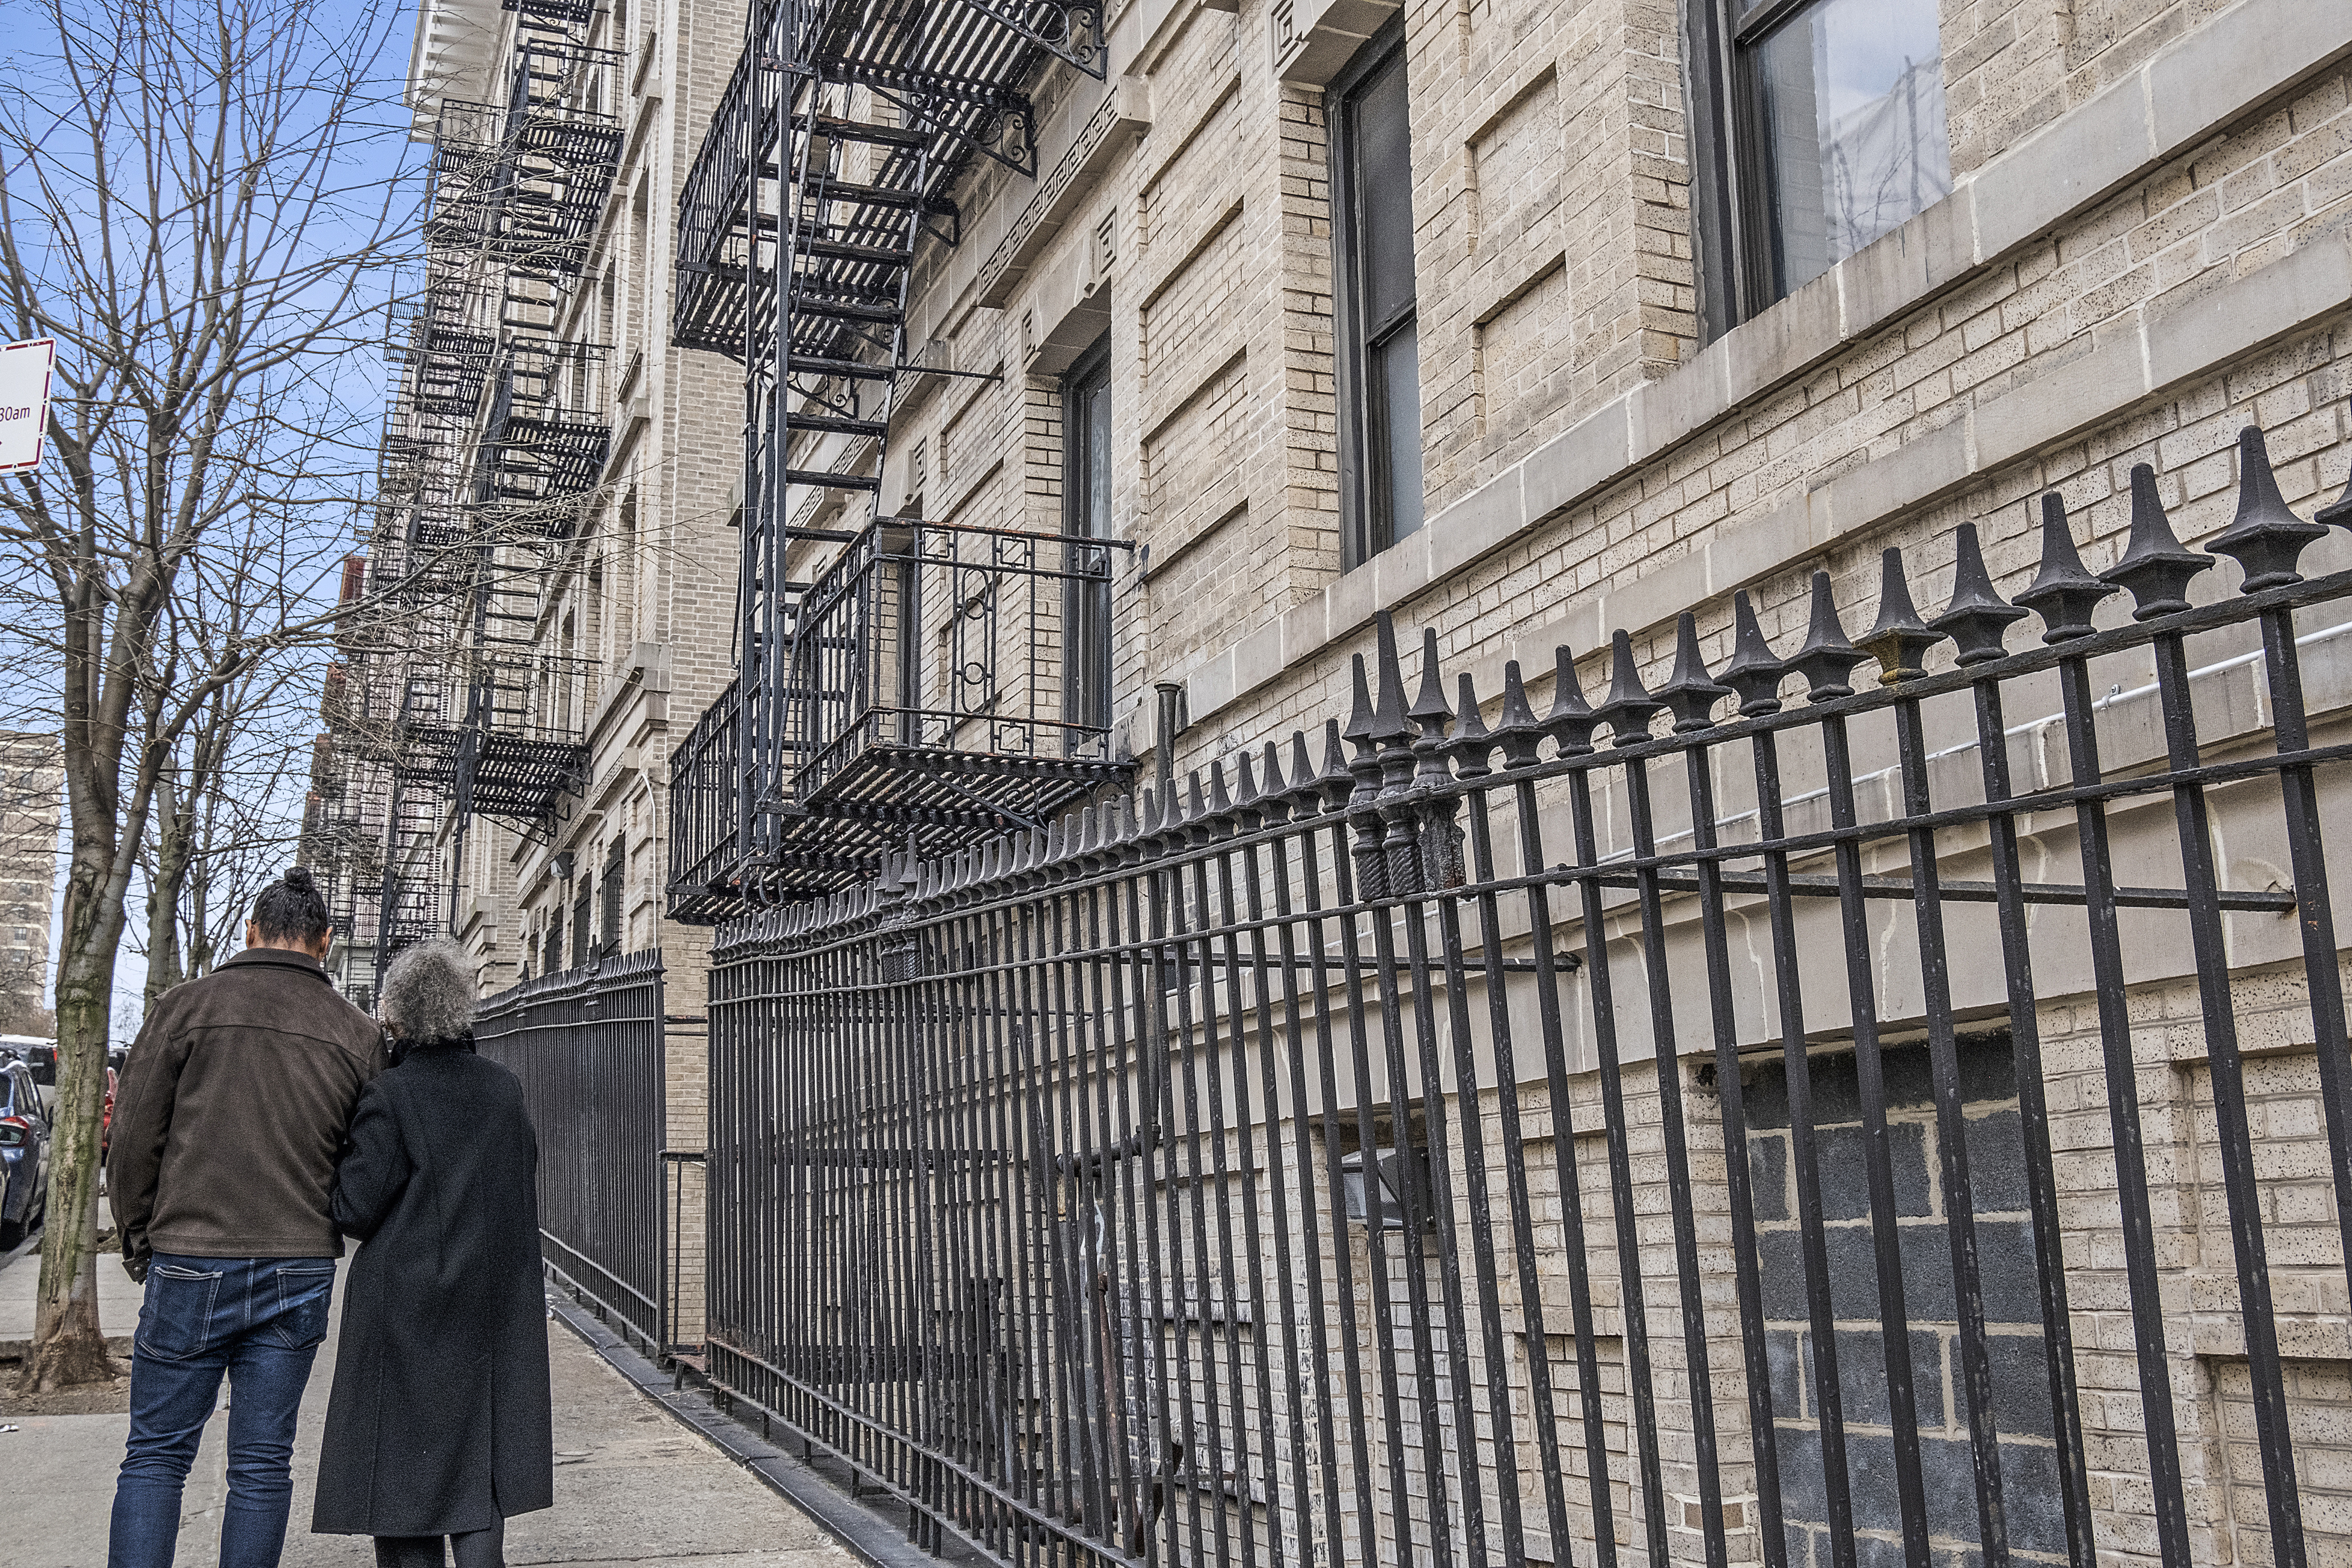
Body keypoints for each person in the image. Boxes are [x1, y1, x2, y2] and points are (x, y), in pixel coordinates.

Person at [106, 866, 382, 1568]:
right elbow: (368, 1157)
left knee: (156, 1457)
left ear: (251, 930)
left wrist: (141, 1237)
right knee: (262, 1464)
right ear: (325, 941)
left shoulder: (184, 1007)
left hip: (191, 1252)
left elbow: (135, 1138)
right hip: (298, 1261)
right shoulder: (356, 1032)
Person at [312, 939, 552, 1568]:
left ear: (395, 1016)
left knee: (402, 1469)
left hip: (405, 1308)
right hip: (489, 1300)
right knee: (480, 1460)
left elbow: (355, 1207)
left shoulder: (392, 1094)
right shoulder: (504, 1089)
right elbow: (520, 1172)